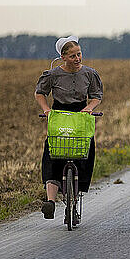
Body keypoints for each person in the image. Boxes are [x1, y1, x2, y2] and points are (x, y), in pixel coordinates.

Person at [35, 35, 103, 222]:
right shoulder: (52, 75)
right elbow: (40, 93)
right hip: (58, 114)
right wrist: (46, 109)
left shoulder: (90, 74)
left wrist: (89, 108)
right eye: (72, 56)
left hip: (81, 113)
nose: (77, 59)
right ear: (63, 57)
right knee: (53, 153)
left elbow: (97, 96)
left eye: (79, 54)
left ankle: (75, 193)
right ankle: (50, 201)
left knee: (84, 150)